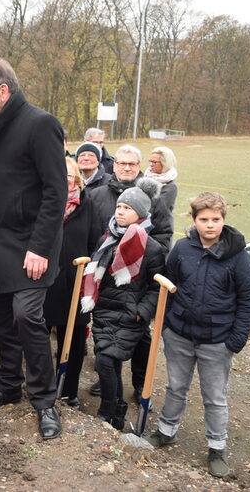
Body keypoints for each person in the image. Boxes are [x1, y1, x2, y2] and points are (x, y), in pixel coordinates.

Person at [0, 59, 67, 441]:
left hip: (31, 245)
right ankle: (8, 386)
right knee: (3, 320)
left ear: (2, 91)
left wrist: (40, 247)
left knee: (28, 317)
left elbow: (56, 191)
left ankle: (44, 401)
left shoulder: (40, 124)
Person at [146, 192, 250, 478]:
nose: (210, 225)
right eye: (204, 219)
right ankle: (166, 431)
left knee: (214, 397)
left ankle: (217, 448)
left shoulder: (237, 257)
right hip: (180, 335)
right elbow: (169, 285)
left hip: (217, 341)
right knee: (175, 387)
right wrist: (168, 326)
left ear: (223, 220)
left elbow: (248, 299)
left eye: (216, 220)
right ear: (194, 220)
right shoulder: (183, 249)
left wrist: (235, 341)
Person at [87, 144, 174, 402]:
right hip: (108, 281)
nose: (126, 167)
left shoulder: (154, 198)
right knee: (107, 341)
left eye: (132, 164)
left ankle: (139, 384)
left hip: (138, 282)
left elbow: (164, 233)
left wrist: (144, 257)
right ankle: (108, 383)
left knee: (140, 340)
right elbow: (93, 233)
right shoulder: (99, 195)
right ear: (113, 165)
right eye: (122, 163)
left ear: (139, 167)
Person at [81, 178, 167, 429]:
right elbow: (94, 273)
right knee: (109, 361)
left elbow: (155, 288)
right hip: (105, 311)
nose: (120, 211)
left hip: (129, 317)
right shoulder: (106, 239)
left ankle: (108, 410)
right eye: (119, 206)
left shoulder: (151, 248)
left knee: (105, 361)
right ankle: (117, 410)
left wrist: (141, 313)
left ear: (139, 213)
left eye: (127, 208)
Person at [42, 156, 101, 407]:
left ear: (77, 179)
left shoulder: (88, 206)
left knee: (75, 341)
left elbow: (95, 242)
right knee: (38, 338)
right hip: (44, 283)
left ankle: (69, 390)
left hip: (74, 284)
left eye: (67, 175)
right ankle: (42, 387)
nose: (61, 179)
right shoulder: (42, 202)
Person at [144, 146, 178, 214]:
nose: (151, 164)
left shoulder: (170, 187)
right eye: (150, 161)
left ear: (164, 163)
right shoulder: (145, 177)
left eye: (154, 162)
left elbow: (159, 210)